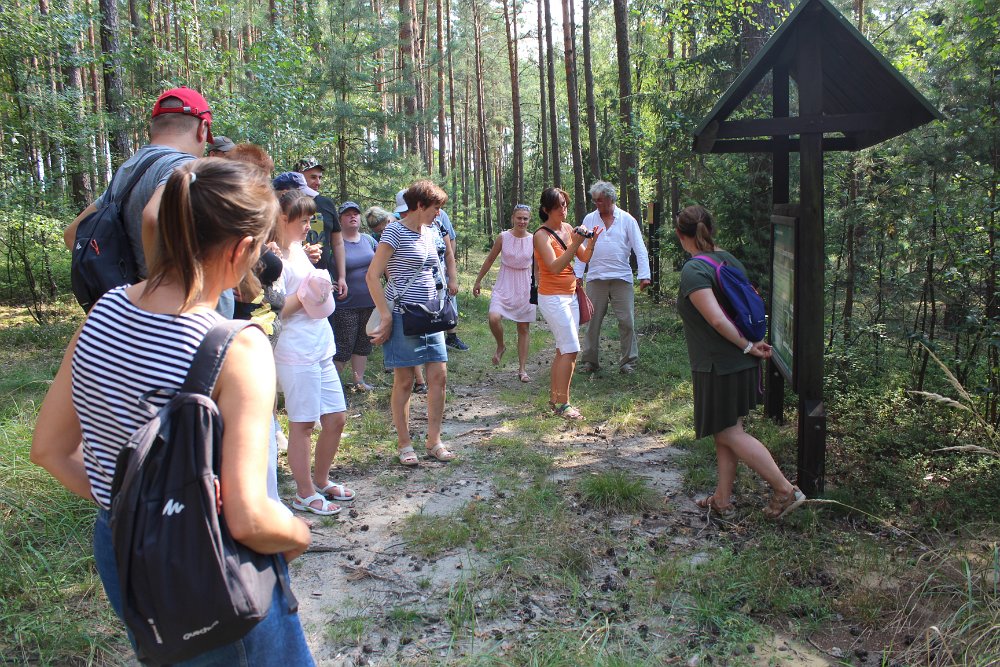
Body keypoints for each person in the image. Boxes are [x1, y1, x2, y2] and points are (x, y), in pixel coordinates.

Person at [31, 158, 314, 664]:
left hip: (122, 547)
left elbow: (49, 450)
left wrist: (137, 510)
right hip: (211, 564)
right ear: (242, 249)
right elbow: (249, 518)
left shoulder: (103, 311)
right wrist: (297, 534)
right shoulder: (237, 347)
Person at [675, 205, 805, 519]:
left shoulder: (694, 270)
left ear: (680, 235)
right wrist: (748, 347)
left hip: (720, 365)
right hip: (739, 360)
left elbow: (718, 320)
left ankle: (785, 489)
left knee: (728, 433)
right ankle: (722, 499)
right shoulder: (728, 259)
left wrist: (746, 346)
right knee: (728, 430)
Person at [63, 86, 211, 275]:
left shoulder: (128, 170)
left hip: (135, 288)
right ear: (202, 129)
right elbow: (153, 216)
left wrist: (117, 280)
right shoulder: (184, 165)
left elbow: (72, 234)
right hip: (172, 292)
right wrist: (156, 286)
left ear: (152, 127)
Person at [273, 189, 355, 515]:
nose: (309, 226)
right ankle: (304, 492)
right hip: (295, 351)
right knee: (303, 424)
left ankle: (321, 479)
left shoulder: (296, 248)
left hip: (320, 344)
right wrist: (309, 292)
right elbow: (275, 310)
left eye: (310, 219)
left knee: (336, 418)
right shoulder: (269, 257)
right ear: (282, 219)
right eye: (303, 220)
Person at [366, 181, 457, 465]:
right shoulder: (394, 231)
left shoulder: (431, 231)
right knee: (405, 381)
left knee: (439, 377)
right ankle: (405, 444)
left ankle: (434, 441)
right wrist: (385, 315)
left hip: (431, 314)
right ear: (419, 205)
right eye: (435, 207)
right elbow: (372, 276)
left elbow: (437, 267)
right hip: (403, 314)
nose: (439, 213)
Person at [533, 187, 601, 420]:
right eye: (557, 206)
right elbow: (554, 267)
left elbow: (584, 257)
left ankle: (555, 400)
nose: (563, 210)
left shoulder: (568, 228)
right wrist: (575, 243)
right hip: (552, 298)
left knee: (563, 349)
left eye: (564, 205)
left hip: (571, 295)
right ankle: (564, 404)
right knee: (571, 349)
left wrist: (591, 242)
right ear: (546, 209)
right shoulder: (541, 235)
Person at [574, 181, 651, 374]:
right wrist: (578, 274)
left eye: (599, 200)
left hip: (621, 278)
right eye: (594, 200)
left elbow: (640, 248)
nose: (596, 203)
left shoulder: (627, 219)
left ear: (610, 198)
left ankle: (628, 362)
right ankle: (590, 361)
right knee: (592, 322)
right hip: (596, 277)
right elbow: (581, 247)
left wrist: (644, 275)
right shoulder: (590, 219)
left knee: (627, 321)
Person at [395, 190, 468, 351]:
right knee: (416, 333)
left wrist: (452, 278)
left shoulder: (437, 226)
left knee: (439, 321)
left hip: (439, 283)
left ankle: (448, 340)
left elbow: (448, 252)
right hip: (412, 291)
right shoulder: (396, 229)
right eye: (402, 212)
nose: (404, 214)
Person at [473, 204, 536, 382]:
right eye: (519, 218)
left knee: (523, 327)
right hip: (504, 283)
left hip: (525, 285)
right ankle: (501, 345)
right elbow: (490, 259)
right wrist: (478, 280)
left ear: (529, 220)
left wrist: (539, 287)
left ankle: (522, 369)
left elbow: (538, 266)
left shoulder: (534, 239)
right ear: (512, 218)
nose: (522, 221)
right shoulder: (503, 237)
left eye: (525, 218)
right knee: (493, 317)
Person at [331, 200, 377, 392]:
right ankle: (331, 387)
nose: (352, 217)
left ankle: (359, 381)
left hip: (369, 301)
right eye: (347, 214)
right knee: (344, 346)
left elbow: (382, 264)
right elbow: (321, 265)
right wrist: (329, 281)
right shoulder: (334, 242)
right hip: (344, 304)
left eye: (355, 213)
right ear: (340, 219)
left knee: (363, 343)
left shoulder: (368, 240)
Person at [295, 157, 347, 299]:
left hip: (322, 278)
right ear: (299, 176)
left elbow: (337, 243)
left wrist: (341, 276)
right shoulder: (287, 204)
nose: (318, 182)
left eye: (320, 177)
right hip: (294, 278)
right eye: (313, 177)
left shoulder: (326, 204)